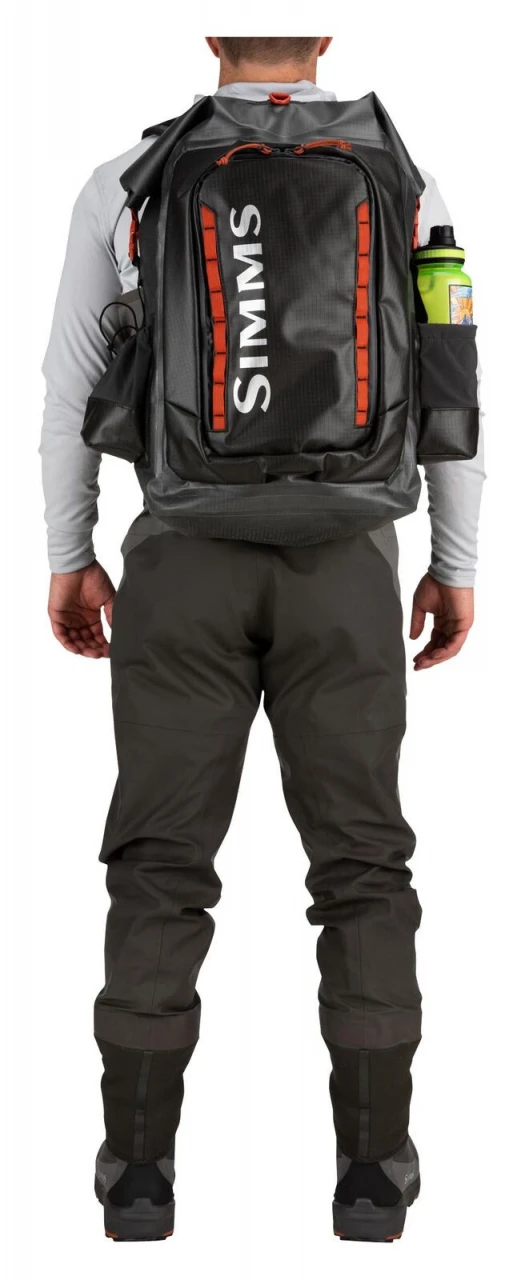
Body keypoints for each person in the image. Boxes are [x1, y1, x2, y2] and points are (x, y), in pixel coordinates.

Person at [40, 36, 485, 1244]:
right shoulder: (407, 178)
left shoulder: (130, 180)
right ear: (324, 42)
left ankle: (137, 1176)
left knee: (160, 864)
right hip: (349, 566)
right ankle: (375, 1174)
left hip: (180, 561)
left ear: (214, 43)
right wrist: (454, 564)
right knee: (364, 864)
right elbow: (452, 382)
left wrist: (72, 549)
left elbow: (71, 386)